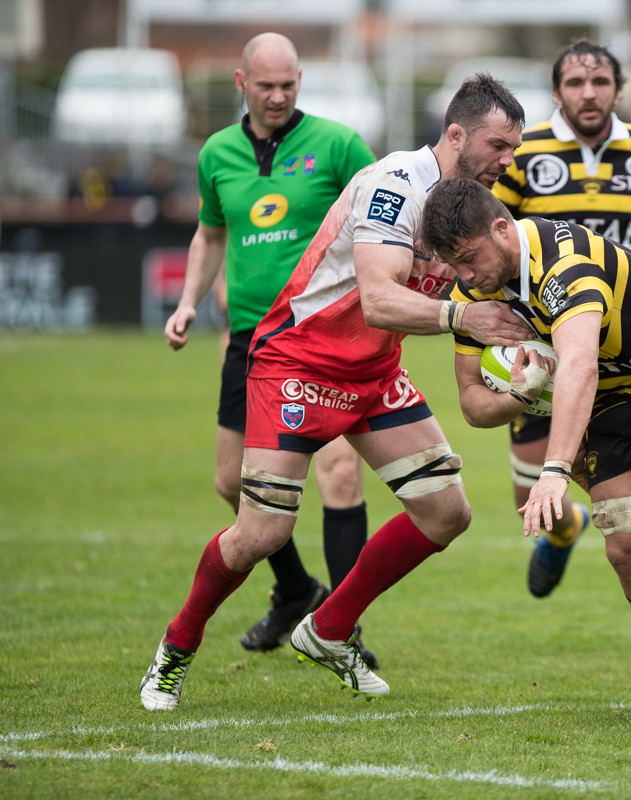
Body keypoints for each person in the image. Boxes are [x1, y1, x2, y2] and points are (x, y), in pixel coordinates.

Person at [139, 75, 531, 711]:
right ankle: (176, 646)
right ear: (456, 134)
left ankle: (327, 628)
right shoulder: (395, 185)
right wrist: (466, 318)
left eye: (515, 148)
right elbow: (378, 300)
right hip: (298, 362)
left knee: (446, 511)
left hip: (373, 373)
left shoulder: (477, 204)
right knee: (261, 534)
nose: (508, 160)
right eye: (499, 145)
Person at [421, 176, 631, 665]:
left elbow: (580, 364)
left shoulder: (565, 262)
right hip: (613, 400)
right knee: (627, 550)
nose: (465, 276)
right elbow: (471, 402)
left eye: (470, 259)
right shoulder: (472, 292)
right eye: (454, 265)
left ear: (501, 229)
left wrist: (554, 470)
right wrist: (518, 395)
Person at [491, 38, 631, 665]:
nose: (588, 93)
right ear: (556, 91)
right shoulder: (524, 152)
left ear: (618, 88)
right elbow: (494, 239)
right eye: (575, 82)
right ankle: (566, 530)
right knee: (532, 493)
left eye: (599, 82)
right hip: (545, 341)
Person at [164, 33, 380, 664]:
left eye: (289, 85)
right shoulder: (217, 153)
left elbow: (387, 211)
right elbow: (210, 234)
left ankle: (341, 629)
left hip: (325, 338)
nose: (279, 96)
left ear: (299, 81)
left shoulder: (338, 145)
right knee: (231, 482)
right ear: (241, 84)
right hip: (251, 341)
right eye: (266, 86)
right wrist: (187, 301)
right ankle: (293, 591)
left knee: (341, 474)